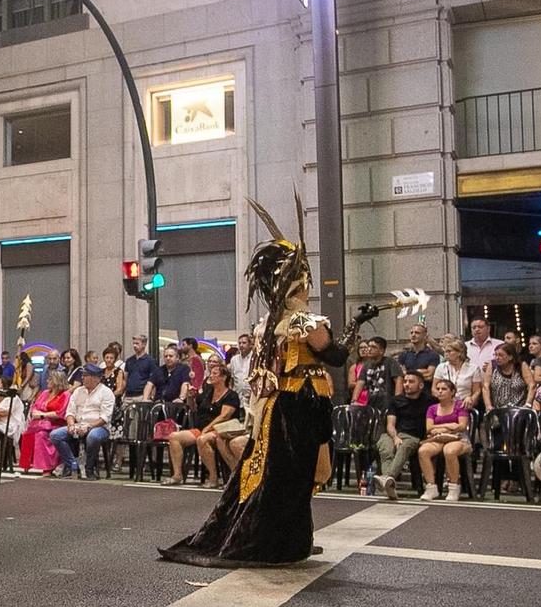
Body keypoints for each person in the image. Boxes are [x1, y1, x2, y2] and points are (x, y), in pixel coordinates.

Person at [161, 209, 383, 568]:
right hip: (301, 403)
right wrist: (357, 322)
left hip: (286, 404)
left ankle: (292, 538)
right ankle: (284, 541)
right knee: (300, 474)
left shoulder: (271, 323)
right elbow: (336, 355)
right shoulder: (303, 320)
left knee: (289, 474)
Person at [164, 359, 242, 485]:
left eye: (215, 374)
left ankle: (213, 477)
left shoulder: (231, 395)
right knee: (174, 437)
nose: (211, 376)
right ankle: (177, 475)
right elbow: (193, 408)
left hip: (218, 430)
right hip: (200, 428)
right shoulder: (207, 392)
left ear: (224, 377)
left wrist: (208, 428)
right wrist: (190, 397)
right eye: (211, 373)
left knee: (202, 439)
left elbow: (224, 416)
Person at [52, 363, 114, 479]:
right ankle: (72, 465)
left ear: (95, 378)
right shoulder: (78, 391)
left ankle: (90, 468)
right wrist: (71, 425)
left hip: (99, 427)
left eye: (85, 375)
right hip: (79, 424)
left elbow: (105, 418)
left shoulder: (106, 392)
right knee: (55, 435)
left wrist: (89, 426)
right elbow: (70, 412)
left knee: (93, 437)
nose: (82, 378)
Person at [417, 377, 471, 502]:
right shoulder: (432, 408)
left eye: (444, 389)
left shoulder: (460, 406)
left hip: (458, 438)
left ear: (452, 392)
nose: (440, 391)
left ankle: (453, 487)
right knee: (423, 451)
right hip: (437, 438)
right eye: (438, 389)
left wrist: (441, 428)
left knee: (449, 451)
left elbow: (461, 426)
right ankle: (431, 487)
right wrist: (448, 426)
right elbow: (429, 428)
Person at [375, 369, 427, 499]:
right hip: (393, 434)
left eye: (411, 381)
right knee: (386, 448)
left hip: (412, 436)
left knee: (404, 447)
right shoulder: (396, 401)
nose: (406, 384)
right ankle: (389, 483)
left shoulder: (428, 401)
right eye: (405, 381)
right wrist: (395, 437)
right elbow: (390, 424)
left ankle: (387, 478)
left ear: (421, 385)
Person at [19, 368, 70, 474]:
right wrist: (35, 413)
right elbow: (35, 407)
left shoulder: (65, 395)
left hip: (56, 424)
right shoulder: (45, 393)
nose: (47, 381)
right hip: (40, 423)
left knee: (41, 435)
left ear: (57, 381)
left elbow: (60, 413)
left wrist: (43, 415)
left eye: (50, 379)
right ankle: (27, 464)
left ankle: (47, 467)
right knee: (26, 434)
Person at [350, 336, 400, 410]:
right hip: (371, 404)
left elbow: (398, 380)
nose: (369, 349)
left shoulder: (390, 362)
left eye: (373, 347)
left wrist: (398, 400)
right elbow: (360, 384)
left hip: (388, 404)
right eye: (369, 346)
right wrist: (354, 401)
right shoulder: (366, 365)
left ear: (381, 351)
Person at [434, 337, 483, 411]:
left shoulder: (473, 368)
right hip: (444, 405)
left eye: (449, 351)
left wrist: (471, 399)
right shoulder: (441, 367)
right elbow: (434, 389)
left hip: (464, 405)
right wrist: (442, 397)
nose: (446, 354)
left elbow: (477, 391)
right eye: (445, 351)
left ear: (459, 352)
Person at [483, 342, 529, 410]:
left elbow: (532, 385)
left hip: (519, 409)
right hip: (497, 409)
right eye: (495, 355)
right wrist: (488, 406)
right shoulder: (492, 365)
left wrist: (528, 404)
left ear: (510, 357)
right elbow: (485, 387)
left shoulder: (521, 366)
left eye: (500, 355)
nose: (497, 358)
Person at [155, 343, 193, 417]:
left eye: (170, 356)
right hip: (160, 406)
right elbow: (150, 384)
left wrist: (181, 398)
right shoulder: (159, 370)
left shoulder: (184, 369)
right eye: (166, 356)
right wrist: (146, 398)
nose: (168, 358)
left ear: (177, 357)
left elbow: (185, 384)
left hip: (177, 407)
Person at [122, 334, 159, 401]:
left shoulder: (150, 361)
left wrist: (151, 397)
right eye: (133, 343)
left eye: (137, 343)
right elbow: (125, 379)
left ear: (144, 344)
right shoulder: (129, 360)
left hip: (142, 395)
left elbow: (153, 381)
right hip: (128, 395)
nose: (134, 346)